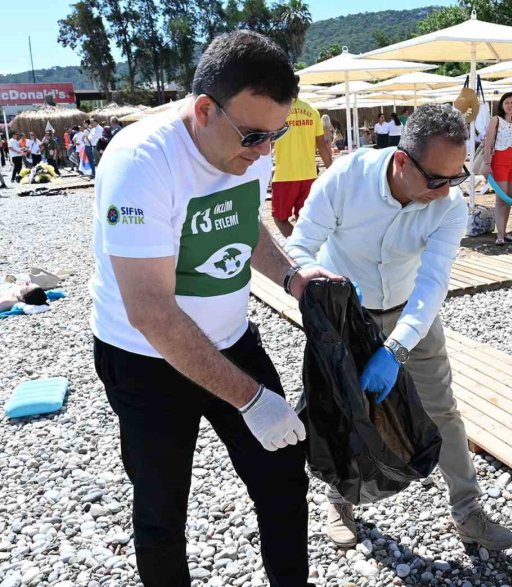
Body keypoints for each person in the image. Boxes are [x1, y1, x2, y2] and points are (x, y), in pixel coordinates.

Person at [90, 30, 335, 587]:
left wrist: (294, 277)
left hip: (231, 340)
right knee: (161, 507)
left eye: (276, 135)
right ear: (204, 110)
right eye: (254, 136)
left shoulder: (247, 144)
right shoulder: (140, 161)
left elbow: (245, 222)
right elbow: (150, 311)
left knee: (281, 477)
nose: (264, 152)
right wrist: (251, 399)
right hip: (144, 359)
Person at [284, 104, 512, 553]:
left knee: (443, 411)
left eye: (457, 178)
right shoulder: (346, 178)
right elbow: (300, 247)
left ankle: (468, 512)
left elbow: (433, 283)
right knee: (342, 412)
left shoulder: (447, 206)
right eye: (436, 179)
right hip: (350, 316)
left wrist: (395, 350)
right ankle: (339, 498)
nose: (446, 191)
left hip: (412, 313)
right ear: (401, 160)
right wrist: (328, 298)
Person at [271, 97, 333, 238]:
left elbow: (267, 141)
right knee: (303, 218)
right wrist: (333, 170)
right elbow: (322, 145)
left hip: (285, 175)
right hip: (309, 175)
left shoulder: (277, 110)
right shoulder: (312, 111)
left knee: (280, 219)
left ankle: (297, 248)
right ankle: (304, 248)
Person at [483, 92, 512, 246]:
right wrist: (487, 163)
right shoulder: (496, 121)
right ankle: (500, 234)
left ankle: (504, 231)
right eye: (507, 102)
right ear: (502, 104)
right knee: (501, 198)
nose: (510, 105)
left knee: (509, 197)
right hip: (499, 161)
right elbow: (489, 142)